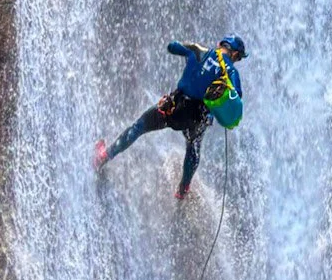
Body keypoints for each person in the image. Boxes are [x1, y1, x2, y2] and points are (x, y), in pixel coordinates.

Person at [93, 37, 247, 199]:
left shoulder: (199, 51)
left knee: (138, 127)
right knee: (193, 148)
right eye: (238, 58)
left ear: (219, 45)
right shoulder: (231, 72)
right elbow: (236, 98)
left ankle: (104, 156)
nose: (236, 61)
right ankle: (183, 189)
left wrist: (189, 50)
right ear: (235, 54)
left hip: (175, 107)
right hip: (198, 117)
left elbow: (172, 47)